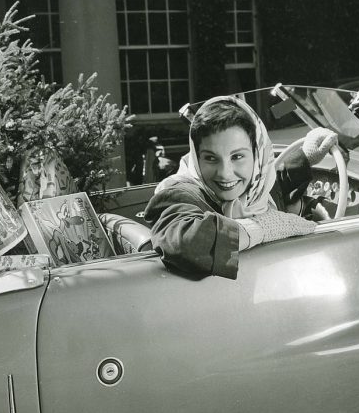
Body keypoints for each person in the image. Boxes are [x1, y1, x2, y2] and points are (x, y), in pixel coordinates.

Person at [144, 96, 337, 280]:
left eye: (237, 157)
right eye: (210, 158)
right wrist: (263, 227)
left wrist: (305, 156)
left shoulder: (255, 186)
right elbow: (185, 243)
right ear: (196, 157)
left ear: (257, 154)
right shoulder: (177, 194)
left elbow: (275, 184)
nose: (225, 174)